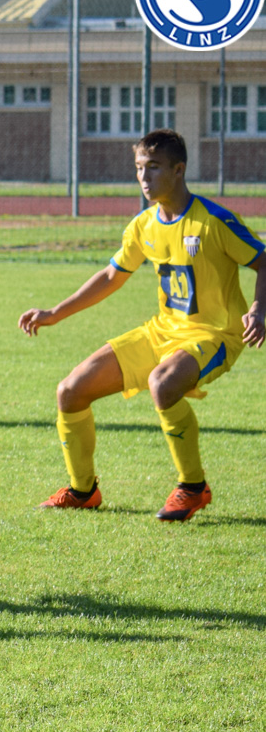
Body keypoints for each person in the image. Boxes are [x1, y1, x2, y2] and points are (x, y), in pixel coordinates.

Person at [20, 127, 266, 521]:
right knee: (70, 391)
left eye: (153, 167)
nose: (143, 177)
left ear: (178, 170)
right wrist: (54, 313)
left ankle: (193, 488)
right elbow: (110, 277)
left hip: (215, 334)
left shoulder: (214, 221)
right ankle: (83, 491)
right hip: (162, 331)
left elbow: (263, 261)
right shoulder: (143, 225)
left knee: (162, 383)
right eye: (138, 168)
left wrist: (258, 309)